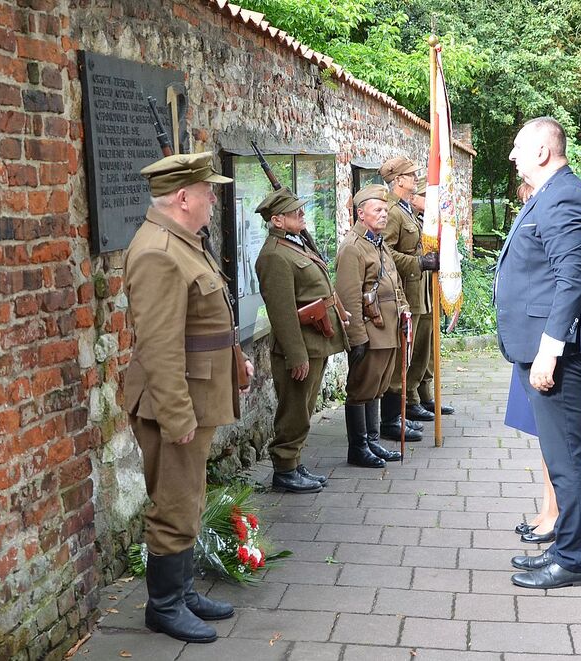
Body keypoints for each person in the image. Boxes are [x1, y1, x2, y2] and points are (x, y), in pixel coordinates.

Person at [123, 152, 254, 642]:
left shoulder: (183, 242)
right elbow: (158, 347)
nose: (211, 198)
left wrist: (236, 360)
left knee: (190, 497)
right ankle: (163, 606)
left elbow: (206, 317)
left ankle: (181, 591)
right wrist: (177, 417)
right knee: (174, 503)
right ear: (183, 198)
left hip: (196, 394)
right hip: (173, 402)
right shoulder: (158, 250)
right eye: (206, 191)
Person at [494, 118, 581, 589]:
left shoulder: (563, 197)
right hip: (540, 345)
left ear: (542, 151)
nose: (513, 156)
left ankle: (574, 559)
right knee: (556, 453)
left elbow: (572, 279)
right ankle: (564, 544)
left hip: (553, 352)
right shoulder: (550, 194)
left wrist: (550, 351)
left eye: (519, 147)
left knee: (565, 457)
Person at [255, 188, 351, 493]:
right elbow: (281, 312)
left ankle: (294, 462)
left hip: (315, 343)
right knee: (294, 409)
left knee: (304, 408)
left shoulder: (294, 245)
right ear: (277, 220)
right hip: (299, 349)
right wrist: (296, 356)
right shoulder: (274, 255)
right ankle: (284, 469)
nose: (302, 214)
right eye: (295, 212)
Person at [335, 184, 408, 467]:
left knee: (377, 386)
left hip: (388, 328)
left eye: (385, 209)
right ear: (360, 213)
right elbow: (348, 296)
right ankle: (358, 447)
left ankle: (372, 441)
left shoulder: (378, 243)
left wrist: (404, 312)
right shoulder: (353, 248)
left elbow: (394, 282)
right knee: (361, 388)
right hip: (370, 330)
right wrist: (357, 338)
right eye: (377, 210)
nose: (383, 215)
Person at [503, 182, 557, 543]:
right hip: (527, 340)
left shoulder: (557, 208)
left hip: (543, 343)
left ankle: (555, 513)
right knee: (543, 436)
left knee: (553, 438)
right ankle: (547, 506)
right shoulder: (539, 206)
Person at [377, 157, 440, 442]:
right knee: (402, 356)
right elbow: (385, 252)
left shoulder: (404, 209)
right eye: (411, 175)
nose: (416, 179)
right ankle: (392, 419)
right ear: (398, 180)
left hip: (416, 291)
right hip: (404, 291)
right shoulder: (392, 211)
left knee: (409, 353)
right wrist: (419, 263)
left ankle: (401, 412)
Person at [409, 178, 455, 415]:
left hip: (430, 288)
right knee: (417, 346)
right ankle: (412, 397)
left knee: (430, 346)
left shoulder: (429, 224)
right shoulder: (411, 221)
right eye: (426, 197)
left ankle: (426, 393)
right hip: (417, 288)